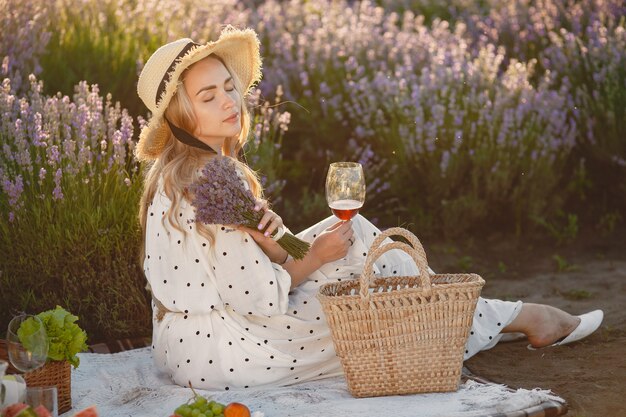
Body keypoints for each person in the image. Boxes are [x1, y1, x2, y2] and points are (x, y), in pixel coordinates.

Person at [136, 26, 604, 390]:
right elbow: (259, 298)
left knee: (360, 237)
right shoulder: (217, 176)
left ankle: (486, 317)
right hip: (231, 351)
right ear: (181, 115)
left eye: (228, 86)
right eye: (208, 96)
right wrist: (313, 256)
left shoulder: (178, 174)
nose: (229, 102)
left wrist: (281, 244)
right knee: (384, 296)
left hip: (180, 347)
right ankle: (512, 317)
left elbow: (242, 268)